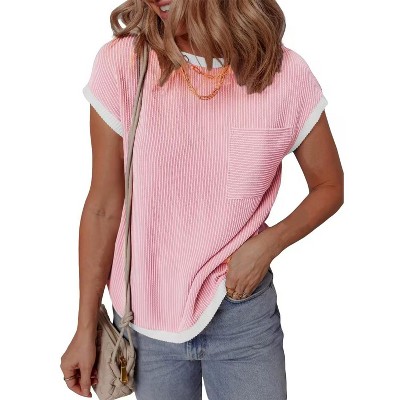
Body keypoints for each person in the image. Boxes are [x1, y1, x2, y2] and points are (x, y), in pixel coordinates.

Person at [60, 0, 344, 399]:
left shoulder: (283, 73)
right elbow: (104, 205)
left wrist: (266, 246)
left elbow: (329, 185)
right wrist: (85, 325)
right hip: (147, 317)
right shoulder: (124, 63)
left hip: (241, 313)